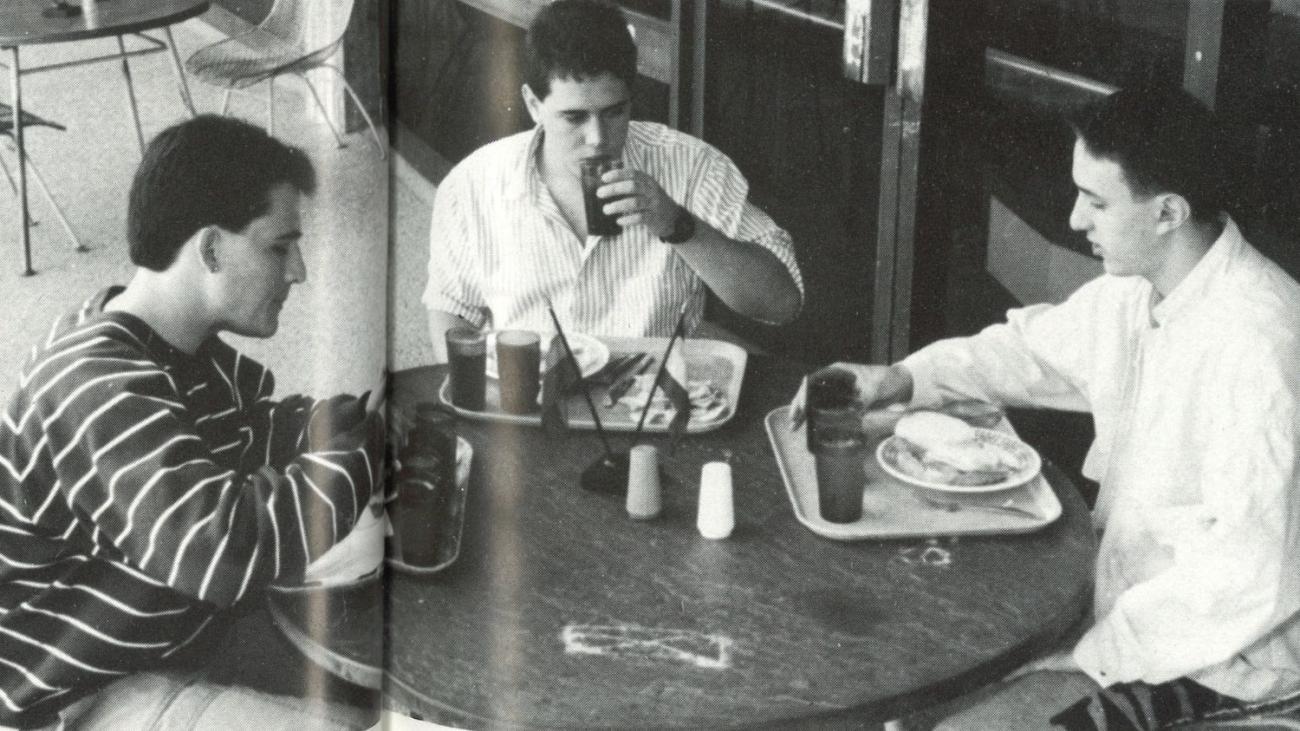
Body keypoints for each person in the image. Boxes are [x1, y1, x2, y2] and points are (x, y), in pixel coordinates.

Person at [795, 85, 1300, 729]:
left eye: (1096, 201)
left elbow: (1242, 582)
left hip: (1225, 665)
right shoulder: (1141, 291)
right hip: (1120, 615)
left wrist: (1080, 657)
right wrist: (898, 379)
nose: (1074, 220)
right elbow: (1024, 352)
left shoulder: (1263, 345)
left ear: (1168, 212)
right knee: (894, 678)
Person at [0, 116, 383, 729]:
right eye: (279, 246)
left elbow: (247, 432)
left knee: (385, 673)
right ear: (209, 247)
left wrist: (342, 418)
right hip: (84, 690)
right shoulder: (95, 384)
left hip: (175, 632)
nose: (299, 271)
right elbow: (225, 551)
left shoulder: (168, 344)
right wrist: (367, 450)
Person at [423, 0, 803, 361]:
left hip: (649, 408)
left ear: (631, 98)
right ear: (533, 105)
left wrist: (678, 225)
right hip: (531, 408)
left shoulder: (690, 165)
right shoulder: (472, 184)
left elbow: (783, 303)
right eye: (574, 117)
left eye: (614, 112)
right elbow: (451, 310)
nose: (598, 139)